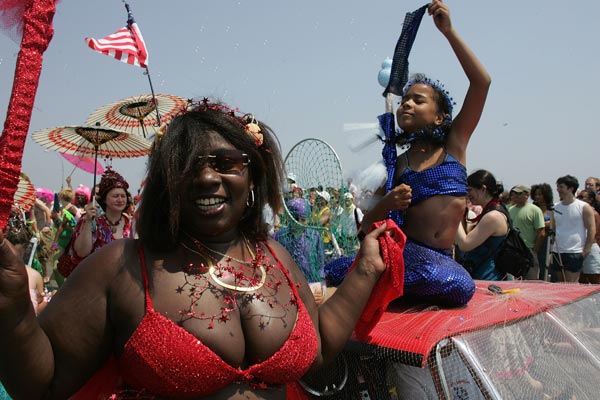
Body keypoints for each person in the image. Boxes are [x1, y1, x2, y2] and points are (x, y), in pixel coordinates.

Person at [0, 100, 389, 399]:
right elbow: (44, 386)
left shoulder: (276, 258)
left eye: (225, 163)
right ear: (167, 182)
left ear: (252, 174)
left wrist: (366, 268)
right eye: (188, 166)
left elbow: (316, 351)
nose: (206, 177)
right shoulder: (119, 267)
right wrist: (15, 308)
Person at [360, 0, 491, 306]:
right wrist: (388, 203)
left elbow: (482, 83)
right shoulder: (397, 164)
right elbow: (366, 225)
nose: (407, 103)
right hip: (407, 258)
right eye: (405, 99)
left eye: (418, 100)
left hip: (442, 264)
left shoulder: (455, 144)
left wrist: (449, 32)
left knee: (457, 283)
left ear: (440, 117)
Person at [66, 168, 133, 275]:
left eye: (123, 196)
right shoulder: (92, 221)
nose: (120, 200)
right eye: (115, 196)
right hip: (95, 279)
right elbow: (81, 252)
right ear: (105, 200)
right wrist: (88, 221)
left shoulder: (131, 224)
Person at [455, 170, 508, 281]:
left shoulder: (493, 216)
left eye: (470, 190)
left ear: (483, 189)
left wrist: (454, 215)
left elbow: (465, 244)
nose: (468, 195)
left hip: (488, 278)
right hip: (487, 275)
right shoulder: (494, 211)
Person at [550, 175, 596, 283]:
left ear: (571, 188)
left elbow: (591, 229)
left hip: (574, 251)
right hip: (558, 251)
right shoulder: (555, 207)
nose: (558, 190)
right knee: (560, 284)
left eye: (561, 187)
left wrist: (586, 250)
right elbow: (554, 228)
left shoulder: (583, 207)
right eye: (557, 187)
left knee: (571, 284)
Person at [507, 185, 545, 280]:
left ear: (527, 195)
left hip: (528, 250)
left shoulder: (535, 210)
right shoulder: (510, 209)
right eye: (514, 193)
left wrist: (534, 251)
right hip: (513, 251)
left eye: (519, 193)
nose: (516, 195)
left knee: (530, 281)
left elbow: (541, 232)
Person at [531, 183, 554, 280]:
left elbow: (553, 224)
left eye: (540, 194)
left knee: (545, 265)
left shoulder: (552, 210)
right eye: (536, 194)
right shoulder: (532, 209)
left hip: (547, 242)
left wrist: (542, 224)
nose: (537, 197)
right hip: (534, 240)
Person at [576, 188, 600, 284]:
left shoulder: (594, 214)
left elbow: (595, 234)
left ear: (590, 200)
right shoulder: (578, 213)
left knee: (594, 280)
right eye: (578, 197)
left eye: (582, 197)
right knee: (582, 280)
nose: (579, 199)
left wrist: (587, 249)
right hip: (579, 248)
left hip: (591, 249)